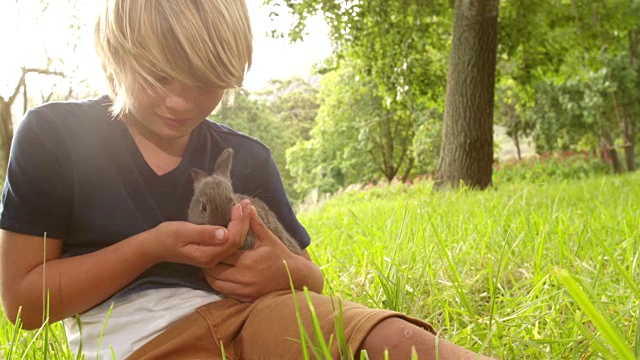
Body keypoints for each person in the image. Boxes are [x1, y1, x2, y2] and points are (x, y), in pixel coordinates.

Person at [0, 1, 488, 359]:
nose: (181, 102)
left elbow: (311, 277)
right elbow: (23, 304)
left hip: (262, 313)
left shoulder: (248, 158)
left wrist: (283, 272)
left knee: (391, 341)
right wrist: (151, 247)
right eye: (157, 77)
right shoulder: (54, 138)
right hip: (145, 342)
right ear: (115, 54)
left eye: (206, 79)